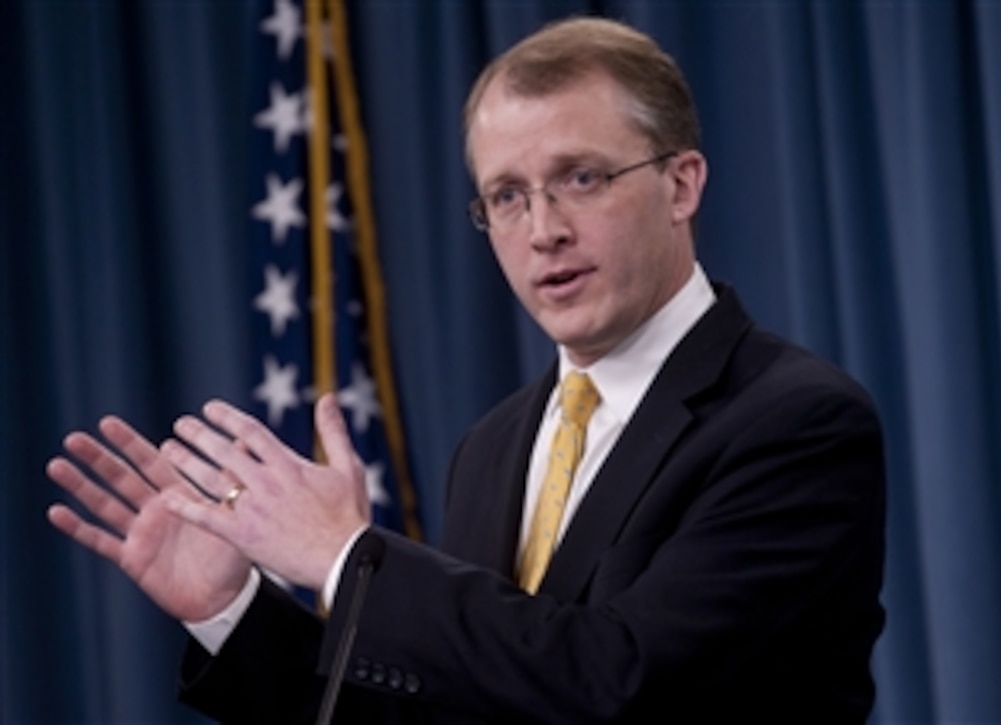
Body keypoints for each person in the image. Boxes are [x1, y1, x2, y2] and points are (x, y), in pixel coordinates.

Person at [46, 15, 886, 723]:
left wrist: (349, 560)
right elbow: (463, 704)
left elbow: (617, 686)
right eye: (508, 196)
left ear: (681, 184)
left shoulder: (796, 423)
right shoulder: (495, 445)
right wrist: (233, 613)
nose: (542, 229)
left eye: (580, 178)